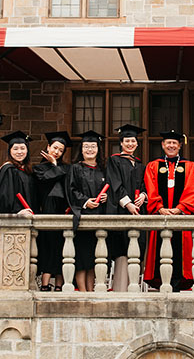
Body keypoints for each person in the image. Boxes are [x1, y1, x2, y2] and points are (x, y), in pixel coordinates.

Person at [143, 130, 194, 291]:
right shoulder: (153, 166)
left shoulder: (191, 167)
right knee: (159, 253)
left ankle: (178, 282)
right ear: (162, 145)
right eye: (168, 143)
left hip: (181, 218)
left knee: (180, 254)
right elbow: (151, 188)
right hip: (160, 217)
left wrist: (180, 208)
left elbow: (193, 189)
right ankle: (161, 282)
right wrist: (159, 207)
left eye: (174, 143)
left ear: (180, 146)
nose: (171, 146)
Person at [106, 124, 147, 292]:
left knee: (137, 251)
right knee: (122, 251)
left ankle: (136, 289)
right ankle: (121, 289)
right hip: (122, 210)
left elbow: (145, 184)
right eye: (127, 141)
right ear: (121, 143)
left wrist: (144, 195)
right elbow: (115, 184)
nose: (130, 144)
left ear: (137, 144)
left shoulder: (140, 165)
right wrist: (128, 204)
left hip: (138, 212)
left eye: (133, 141)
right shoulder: (114, 161)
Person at [66, 130, 108, 292]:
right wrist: (85, 202)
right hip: (82, 217)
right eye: (86, 146)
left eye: (93, 146)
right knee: (81, 259)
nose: (90, 149)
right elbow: (71, 190)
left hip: (99, 218)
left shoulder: (102, 169)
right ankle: (83, 292)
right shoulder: (75, 168)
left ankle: (91, 291)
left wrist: (105, 198)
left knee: (93, 259)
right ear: (81, 149)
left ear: (98, 149)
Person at [34, 131, 72, 292]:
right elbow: (44, 180)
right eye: (54, 148)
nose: (56, 152)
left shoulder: (67, 168)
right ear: (48, 147)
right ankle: (45, 283)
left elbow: (68, 186)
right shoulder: (38, 168)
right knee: (48, 247)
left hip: (63, 210)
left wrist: (56, 165)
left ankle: (59, 285)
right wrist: (54, 166)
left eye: (60, 150)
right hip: (46, 211)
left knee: (62, 248)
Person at [0, 131, 35, 216]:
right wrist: (17, 211)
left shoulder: (28, 170)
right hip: (14, 217)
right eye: (15, 149)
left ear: (27, 150)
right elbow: (5, 195)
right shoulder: (8, 169)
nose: (19, 152)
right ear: (10, 151)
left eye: (22, 148)